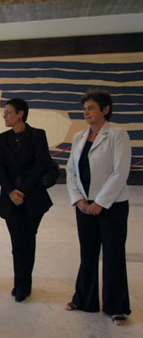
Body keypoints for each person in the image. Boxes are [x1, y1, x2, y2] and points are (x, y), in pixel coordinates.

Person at [65, 89, 132, 326]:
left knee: (113, 255)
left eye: (91, 108)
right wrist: (79, 200)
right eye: (85, 108)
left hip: (112, 205)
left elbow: (120, 172)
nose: (86, 112)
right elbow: (71, 171)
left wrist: (100, 203)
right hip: (84, 206)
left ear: (105, 110)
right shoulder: (79, 137)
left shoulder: (118, 134)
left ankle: (116, 307)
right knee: (88, 254)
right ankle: (84, 299)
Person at [0, 98, 52, 302]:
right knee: (18, 242)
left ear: (21, 114)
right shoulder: (2, 138)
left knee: (29, 240)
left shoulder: (37, 135)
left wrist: (22, 190)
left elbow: (41, 164)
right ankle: (20, 283)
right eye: (4, 113)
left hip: (32, 198)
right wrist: (11, 191)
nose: (5, 116)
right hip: (11, 199)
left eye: (8, 112)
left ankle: (24, 284)